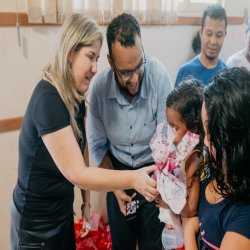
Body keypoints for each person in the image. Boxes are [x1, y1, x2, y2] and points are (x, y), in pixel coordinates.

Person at [10, 14, 159, 250]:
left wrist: (86, 203)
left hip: (62, 213)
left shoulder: (76, 95)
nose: (94, 68)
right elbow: (78, 172)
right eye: (90, 57)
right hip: (35, 225)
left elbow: (83, 145)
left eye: (97, 58)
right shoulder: (48, 99)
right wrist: (131, 178)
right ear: (70, 51)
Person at [87, 13, 173, 250]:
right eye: (126, 72)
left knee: (154, 245)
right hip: (116, 172)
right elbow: (96, 147)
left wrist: (161, 188)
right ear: (110, 63)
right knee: (122, 244)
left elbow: (167, 142)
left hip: (153, 172)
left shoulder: (159, 76)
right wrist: (115, 187)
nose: (135, 79)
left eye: (139, 66)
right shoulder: (99, 90)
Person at [184, 67, 250, 250]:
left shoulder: (243, 216)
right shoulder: (214, 167)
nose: (204, 141)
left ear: (232, 141)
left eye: (209, 134)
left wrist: (188, 231)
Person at [155, 80, 205, 250]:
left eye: (175, 128)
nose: (171, 135)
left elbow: (191, 208)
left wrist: (166, 202)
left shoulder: (194, 157)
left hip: (192, 230)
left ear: (194, 125)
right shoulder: (184, 150)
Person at [175, 4, 228, 87]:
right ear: (201, 33)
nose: (213, 41)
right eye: (209, 34)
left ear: (225, 35)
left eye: (219, 35)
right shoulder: (184, 72)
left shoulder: (228, 76)